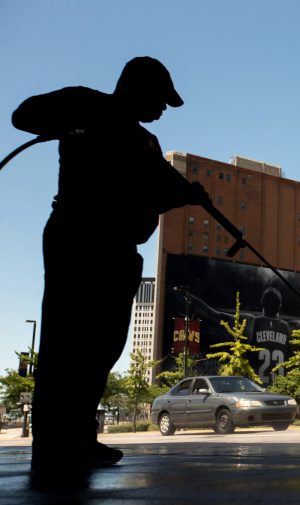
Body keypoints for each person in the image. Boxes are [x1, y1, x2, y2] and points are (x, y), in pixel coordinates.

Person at [11, 57, 208, 474]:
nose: (163, 110)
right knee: (67, 344)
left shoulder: (148, 144)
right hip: (77, 239)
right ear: (138, 88)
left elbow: (160, 190)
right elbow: (22, 116)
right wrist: (81, 119)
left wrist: (187, 194)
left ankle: (81, 437)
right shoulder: (85, 104)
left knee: (103, 346)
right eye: (160, 99)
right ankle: (52, 446)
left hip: (120, 251)